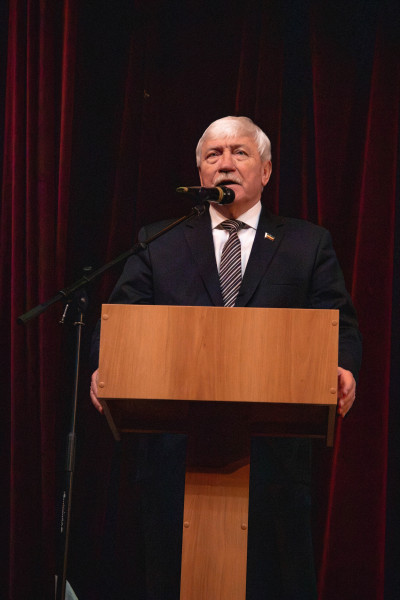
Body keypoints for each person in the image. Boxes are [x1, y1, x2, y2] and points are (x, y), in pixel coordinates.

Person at [90, 116, 362, 599]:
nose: (225, 164)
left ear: (266, 171)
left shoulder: (306, 243)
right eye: (213, 155)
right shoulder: (159, 240)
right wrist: (104, 366)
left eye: (240, 152)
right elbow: (122, 318)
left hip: (273, 452)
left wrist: (342, 366)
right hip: (174, 453)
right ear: (200, 173)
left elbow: (338, 320)